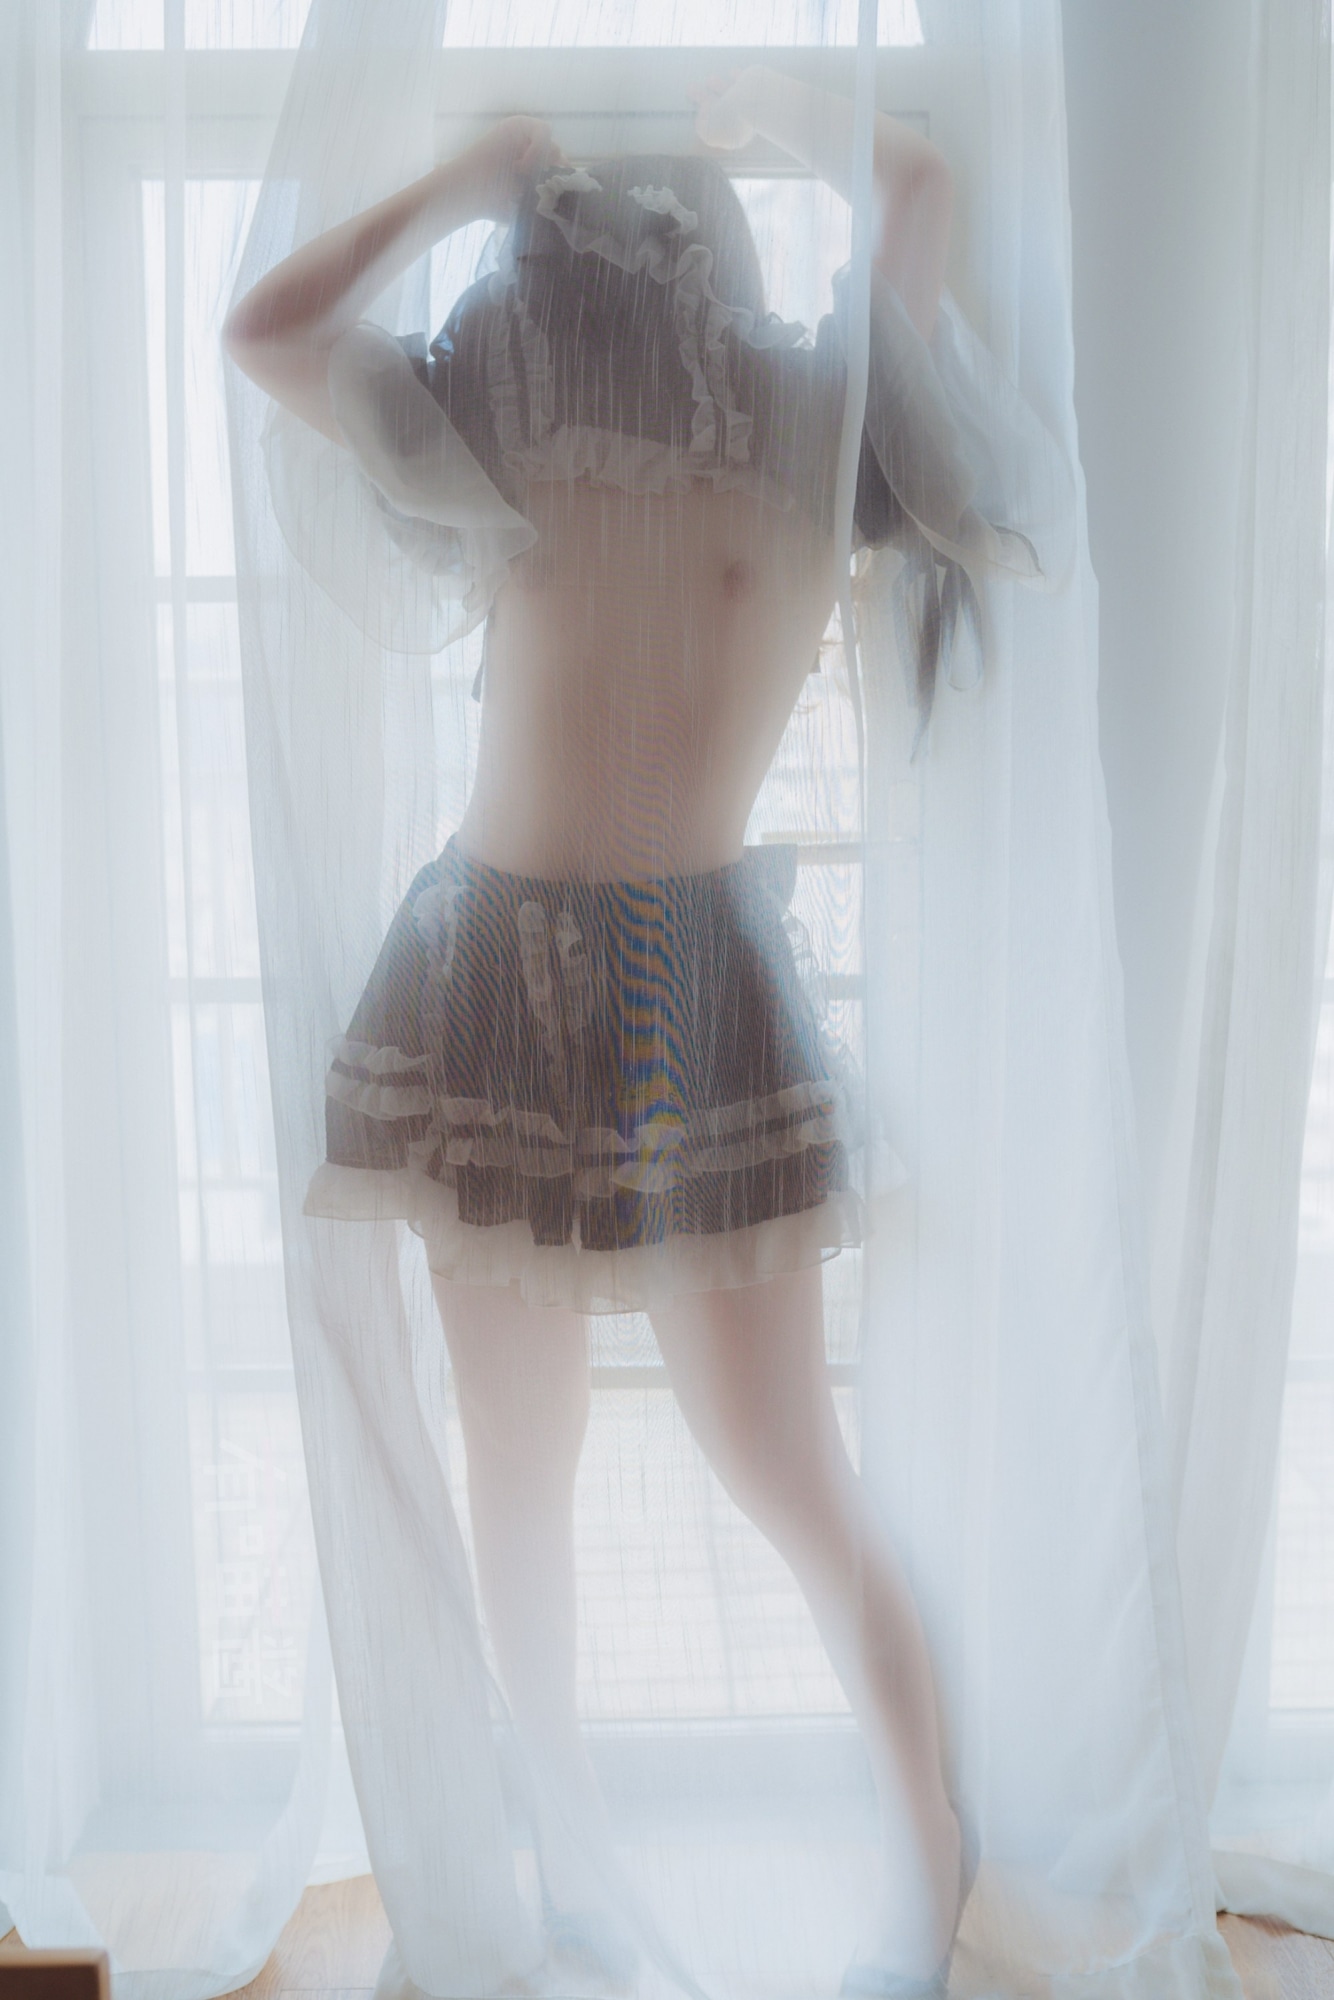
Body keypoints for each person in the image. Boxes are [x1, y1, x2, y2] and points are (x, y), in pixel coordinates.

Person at [226, 65, 996, 2000]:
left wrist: (766, 108)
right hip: (487, 971)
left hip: (692, 980)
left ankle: (934, 1846)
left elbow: (918, 182)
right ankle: (562, 1848)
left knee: (778, 1462)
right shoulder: (515, 407)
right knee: (520, 1456)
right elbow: (267, 332)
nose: (615, 266)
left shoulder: (820, 412)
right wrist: (465, 175)